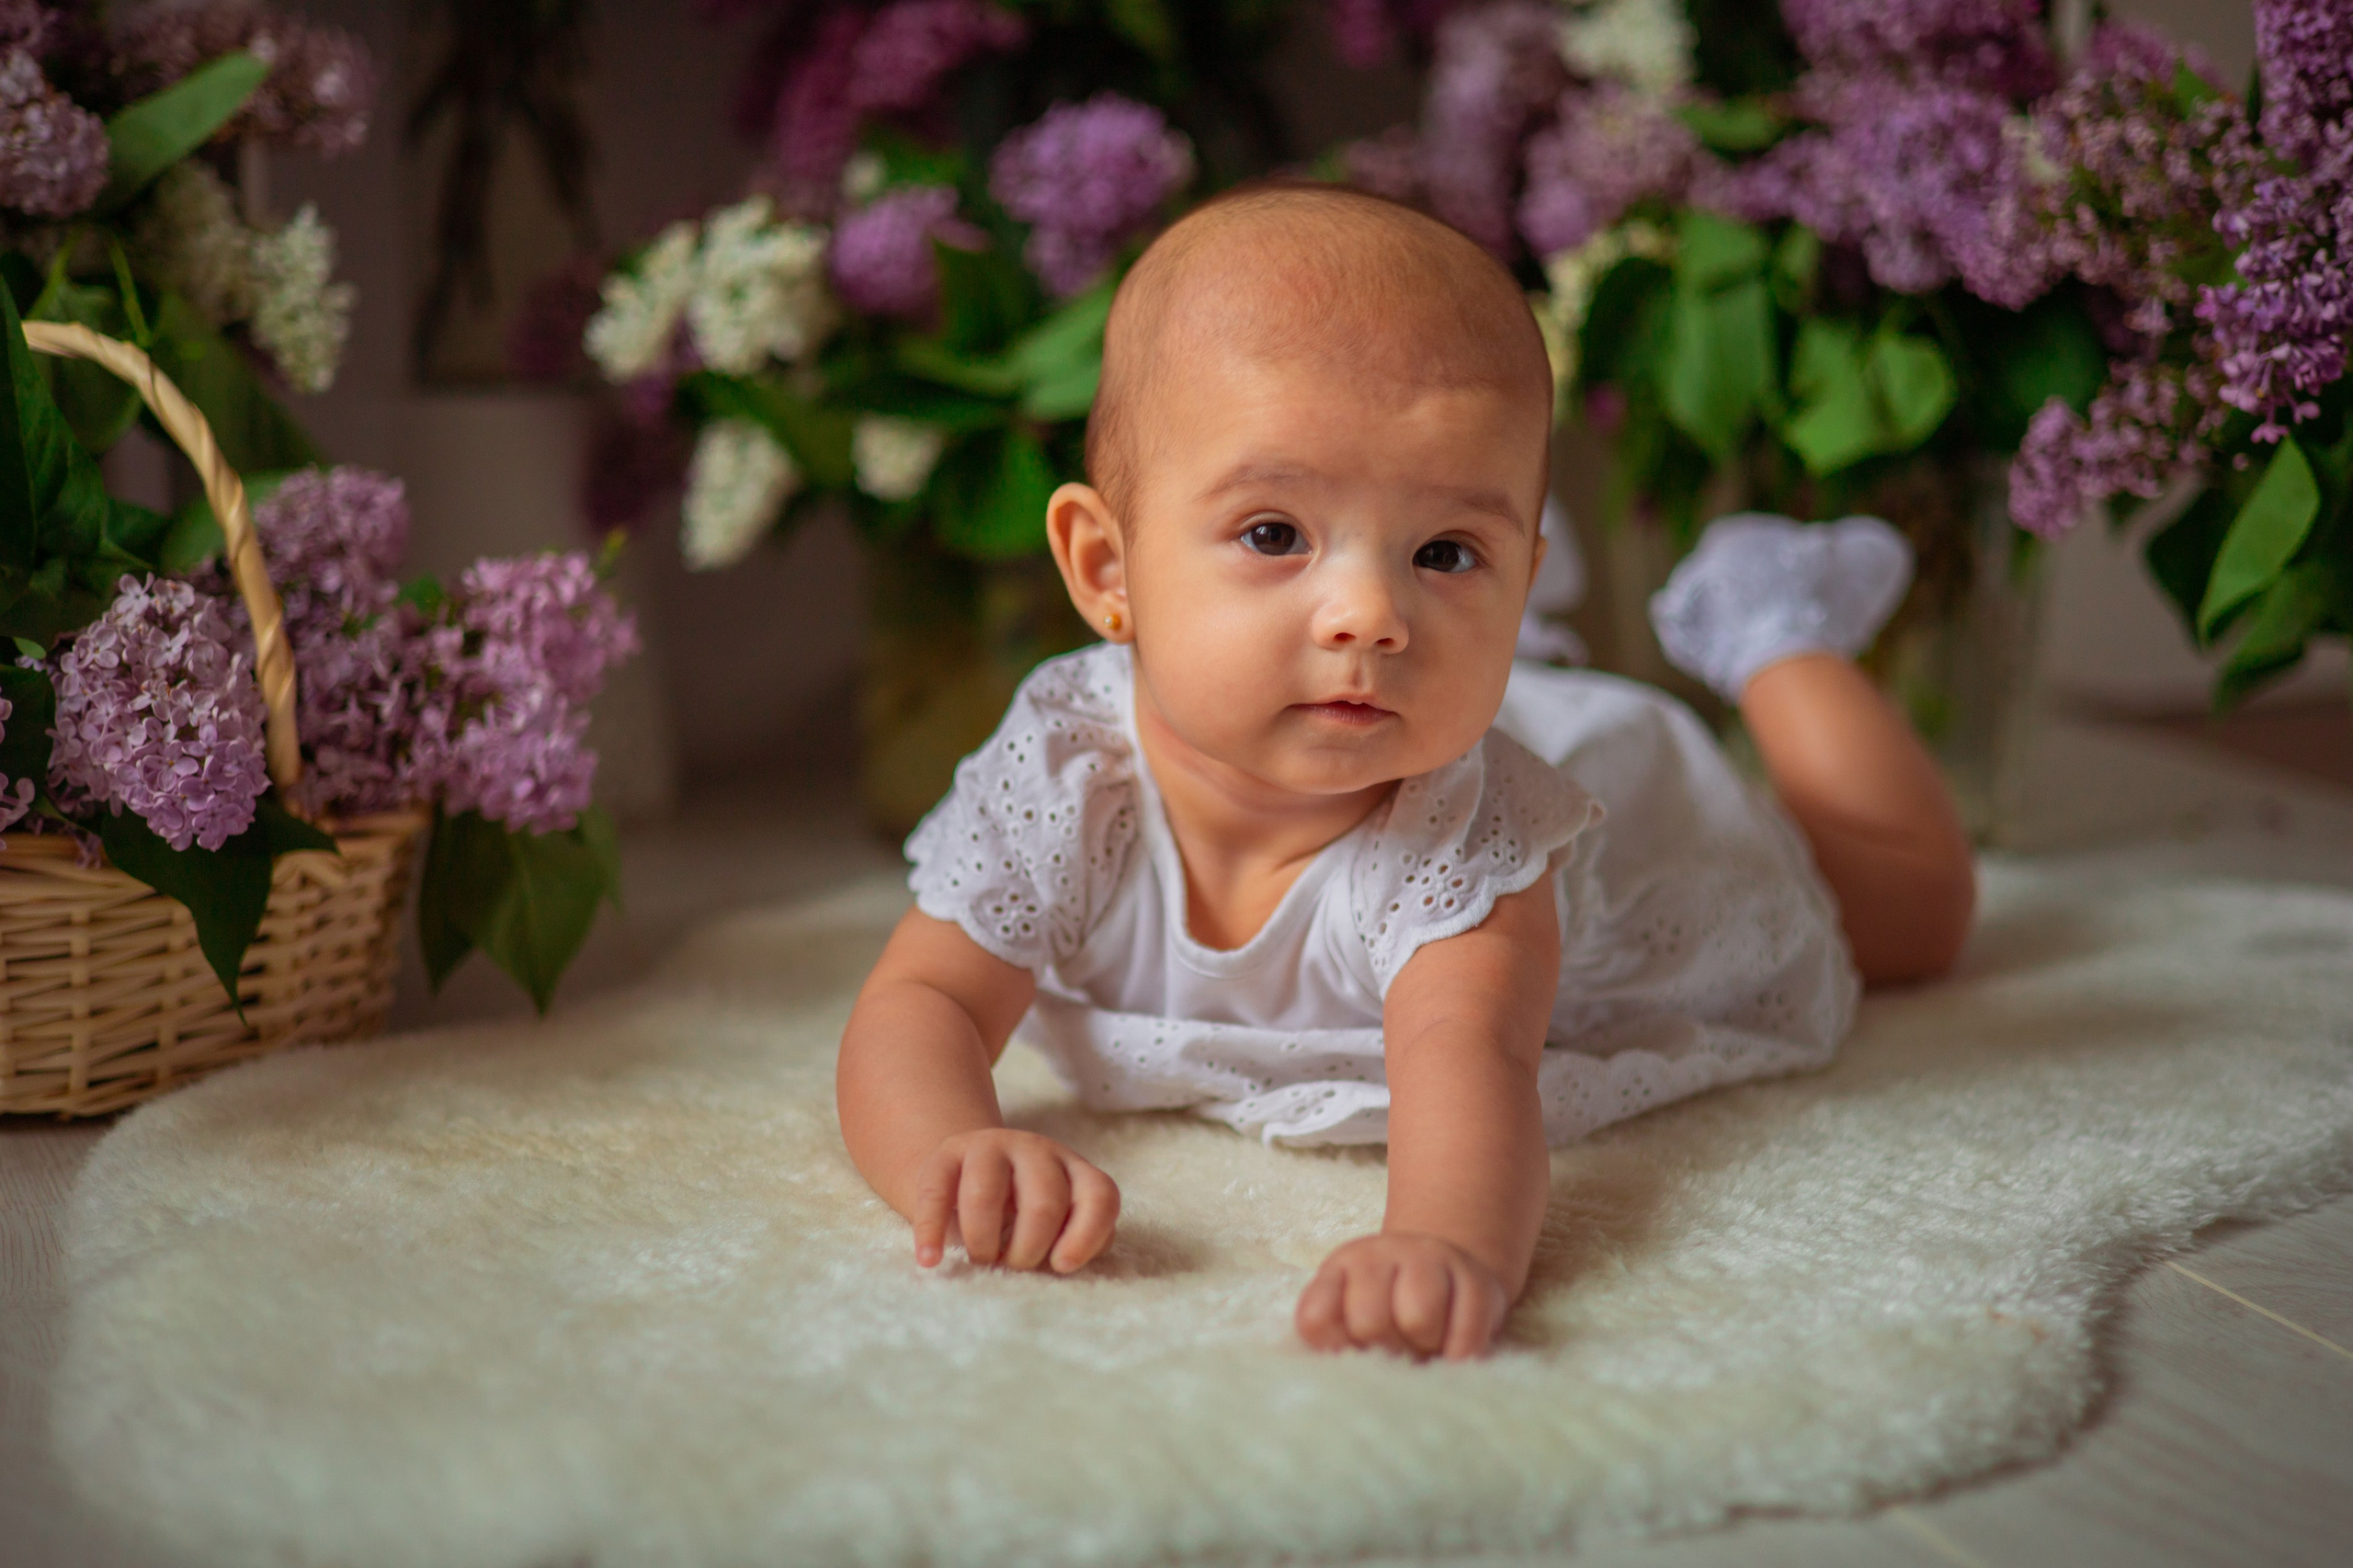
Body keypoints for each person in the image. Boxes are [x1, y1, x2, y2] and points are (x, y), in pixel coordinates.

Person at [835, 184, 1975, 1361]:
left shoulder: (1464, 845)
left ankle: (1769, 630)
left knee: (1913, 912)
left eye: (1444, 552)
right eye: (1274, 532)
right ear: (1104, 566)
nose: (1370, 612)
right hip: (1434, 708)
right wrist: (951, 1148)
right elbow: (920, 1003)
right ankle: (1520, 614)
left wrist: (1445, 1242)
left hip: (1622, 810)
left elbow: (1470, 1069)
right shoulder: (1067, 768)